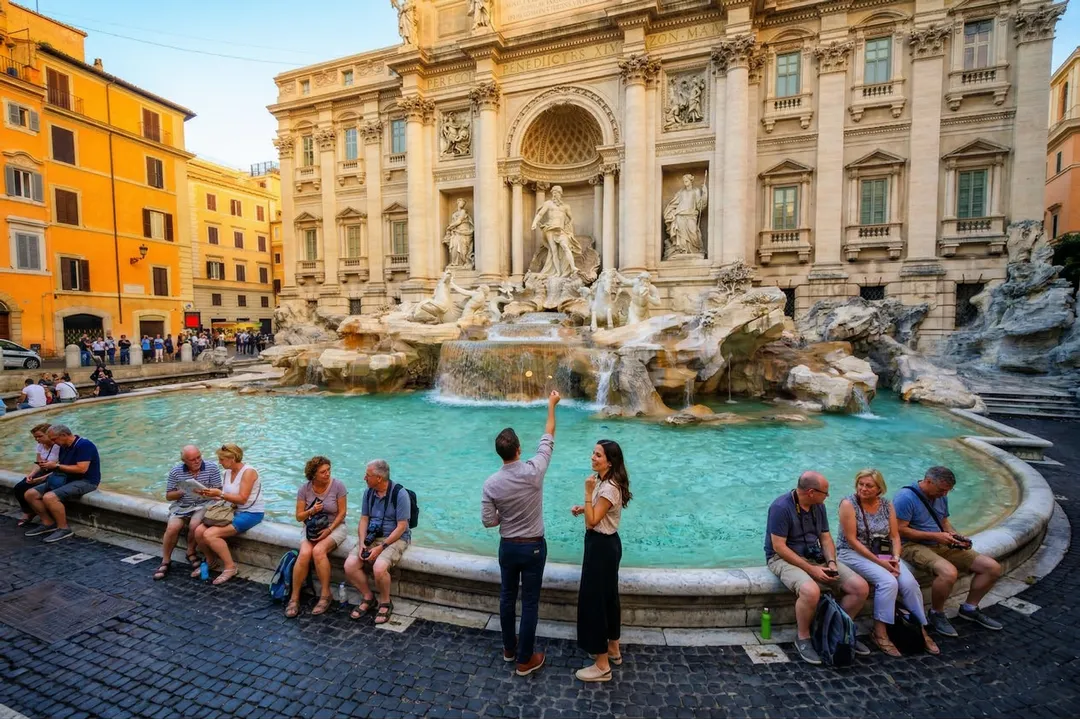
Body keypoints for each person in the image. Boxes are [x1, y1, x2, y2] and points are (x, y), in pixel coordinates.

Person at [481, 390, 560, 677]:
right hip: (534, 547)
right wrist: (551, 405)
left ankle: (508, 649)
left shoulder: (491, 484)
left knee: (506, 597)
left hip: (508, 547)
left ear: (500, 453)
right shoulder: (534, 471)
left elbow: (488, 521)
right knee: (529, 604)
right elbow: (548, 437)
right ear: (518, 449)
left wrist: (506, 514)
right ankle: (525, 660)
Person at [764, 471, 870, 665]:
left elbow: (826, 537)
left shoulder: (818, 506)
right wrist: (811, 570)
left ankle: (838, 629)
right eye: (825, 492)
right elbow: (779, 546)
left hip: (816, 556)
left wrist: (830, 562)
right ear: (811, 492)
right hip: (782, 558)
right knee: (810, 590)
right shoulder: (780, 507)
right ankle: (803, 638)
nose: (827, 496)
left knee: (860, 587)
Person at [837, 469, 939, 656]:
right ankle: (880, 632)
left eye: (869, 486)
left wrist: (896, 558)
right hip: (851, 552)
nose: (863, 489)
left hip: (883, 553)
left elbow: (894, 536)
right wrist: (881, 563)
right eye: (861, 484)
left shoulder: (886, 505)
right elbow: (851, 540)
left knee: (909, 583)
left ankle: (921, 629)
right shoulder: (848, 504)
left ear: (879, 489)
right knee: (888, 582)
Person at [896, 466, 1004, 636]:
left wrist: (956, 536)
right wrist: (936, 536)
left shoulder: (940, 496)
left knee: (992, 567)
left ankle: (969, 608)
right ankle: (936, 613)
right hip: (911, 545)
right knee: (948, 573)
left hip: (941, 542)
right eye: (942, 490)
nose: (945, 494)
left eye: (948, 491)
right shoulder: (905, 498)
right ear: (928, 482)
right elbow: (899, 530)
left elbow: (944, 522)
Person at [571, 439, 632, 682]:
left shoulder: (608, 488)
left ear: (610, 461)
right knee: (608, 599)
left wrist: (587, 494)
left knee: (594, 603)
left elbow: (593, 522)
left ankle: (601, 665)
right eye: (593, 452)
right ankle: (613, 648)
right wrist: (584, 507)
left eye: (598, 455)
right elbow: (597, 513)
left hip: (601, 547)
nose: (593, 457)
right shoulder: (605, 481)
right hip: (608, 545)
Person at [343, 460, 410, 625]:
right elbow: (364, 519)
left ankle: (385, 602)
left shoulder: (400, 494)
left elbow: (402, 527)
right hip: (372, 536)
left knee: (379, 568)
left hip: (395, 538)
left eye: (368, 475)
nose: (364, 478)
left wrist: (381, 547)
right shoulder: (369, 492)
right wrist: (361, 544)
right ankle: (368, 597)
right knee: (349, 565)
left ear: (379, 478)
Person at [191, 444, 263, 585]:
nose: (219, 462)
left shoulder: (249, 472)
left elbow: (242, 498)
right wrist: (208, 494)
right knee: (199, 531)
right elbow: (225, 497)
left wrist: (221, 494)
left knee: (210, 534)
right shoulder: (227, 473)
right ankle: (211, 561)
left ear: (232, 458)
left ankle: (230, 567)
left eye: (222, 459)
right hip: (231, 510)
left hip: (251, 512)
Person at [286, 456, 349, 618]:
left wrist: (329, 530)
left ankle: (325, 594)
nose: (327, 474)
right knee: (305, 553)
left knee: (319, 551)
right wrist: (311, 511)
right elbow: (299, 517)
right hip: (311, 528)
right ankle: (294, 597)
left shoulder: (338, 486)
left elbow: (342, 513)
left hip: (335, 527)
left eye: (328, 470)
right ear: (313, 475)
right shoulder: (304, 489)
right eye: (323, 472)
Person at [153, 446, 222, 581]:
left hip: (203, 504)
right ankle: (165, 560)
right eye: (192, 460)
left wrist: (205, 492)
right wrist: (182, 492)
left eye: (199, 457)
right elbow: (169, 496)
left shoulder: (212, 467)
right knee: (172, 527)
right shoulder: (176, 471)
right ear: (184, 460)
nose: (197, 461)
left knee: (195, 524)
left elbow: (218, 491)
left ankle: (190, 551)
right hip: (182, 505)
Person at [23, 424, 101, 543]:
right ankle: (48, 523)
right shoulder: (63, 446)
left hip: (86, 481)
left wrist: (56, 466)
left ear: (64, 435)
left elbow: (82, 469)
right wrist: (43, 476)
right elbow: (61, 467)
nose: (53, 442)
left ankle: (63, 528)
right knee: (30, 494)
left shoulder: (84, 445)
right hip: (66, 479)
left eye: (54, 439)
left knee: (49, 497)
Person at [13, 424, 60, 527]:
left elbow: (59, 467)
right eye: (35, 437)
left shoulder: (58, 446)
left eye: (39, 436)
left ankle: (41, 515)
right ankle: (28, 511)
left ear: (49, 434)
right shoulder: (40, 445)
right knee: (19, 487)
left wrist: (38, 480)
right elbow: (38, 463)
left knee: (31, 488)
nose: (37, 439)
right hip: (43, 471)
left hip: (55, 472)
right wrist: (31, 475)